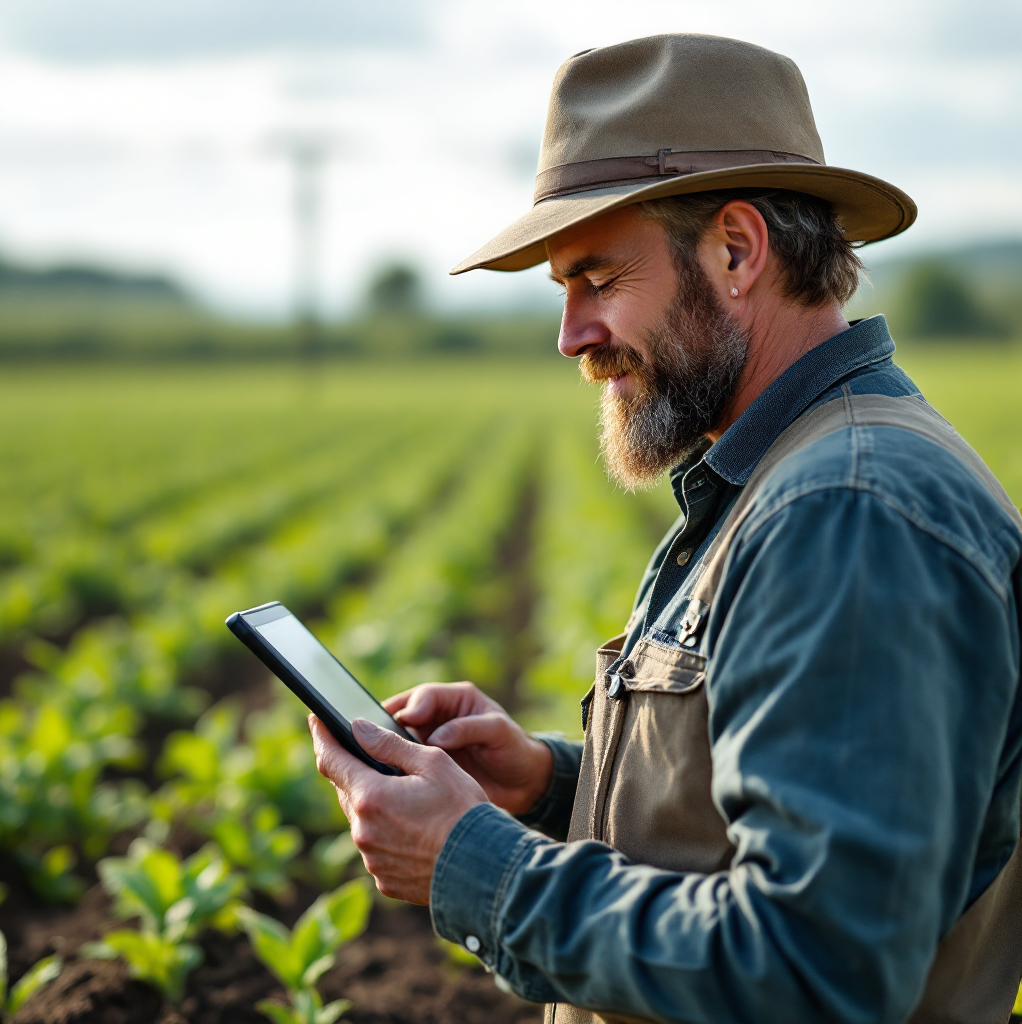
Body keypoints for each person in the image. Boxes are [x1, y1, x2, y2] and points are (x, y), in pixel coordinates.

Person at [309, 34, 1022, 1024]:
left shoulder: (847, 512)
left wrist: (471, 861)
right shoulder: (785, 475)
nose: (571, 335)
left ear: (735, 250)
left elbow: (819, 969)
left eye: (596, 278)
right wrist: (552, 786)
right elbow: (761, 818)